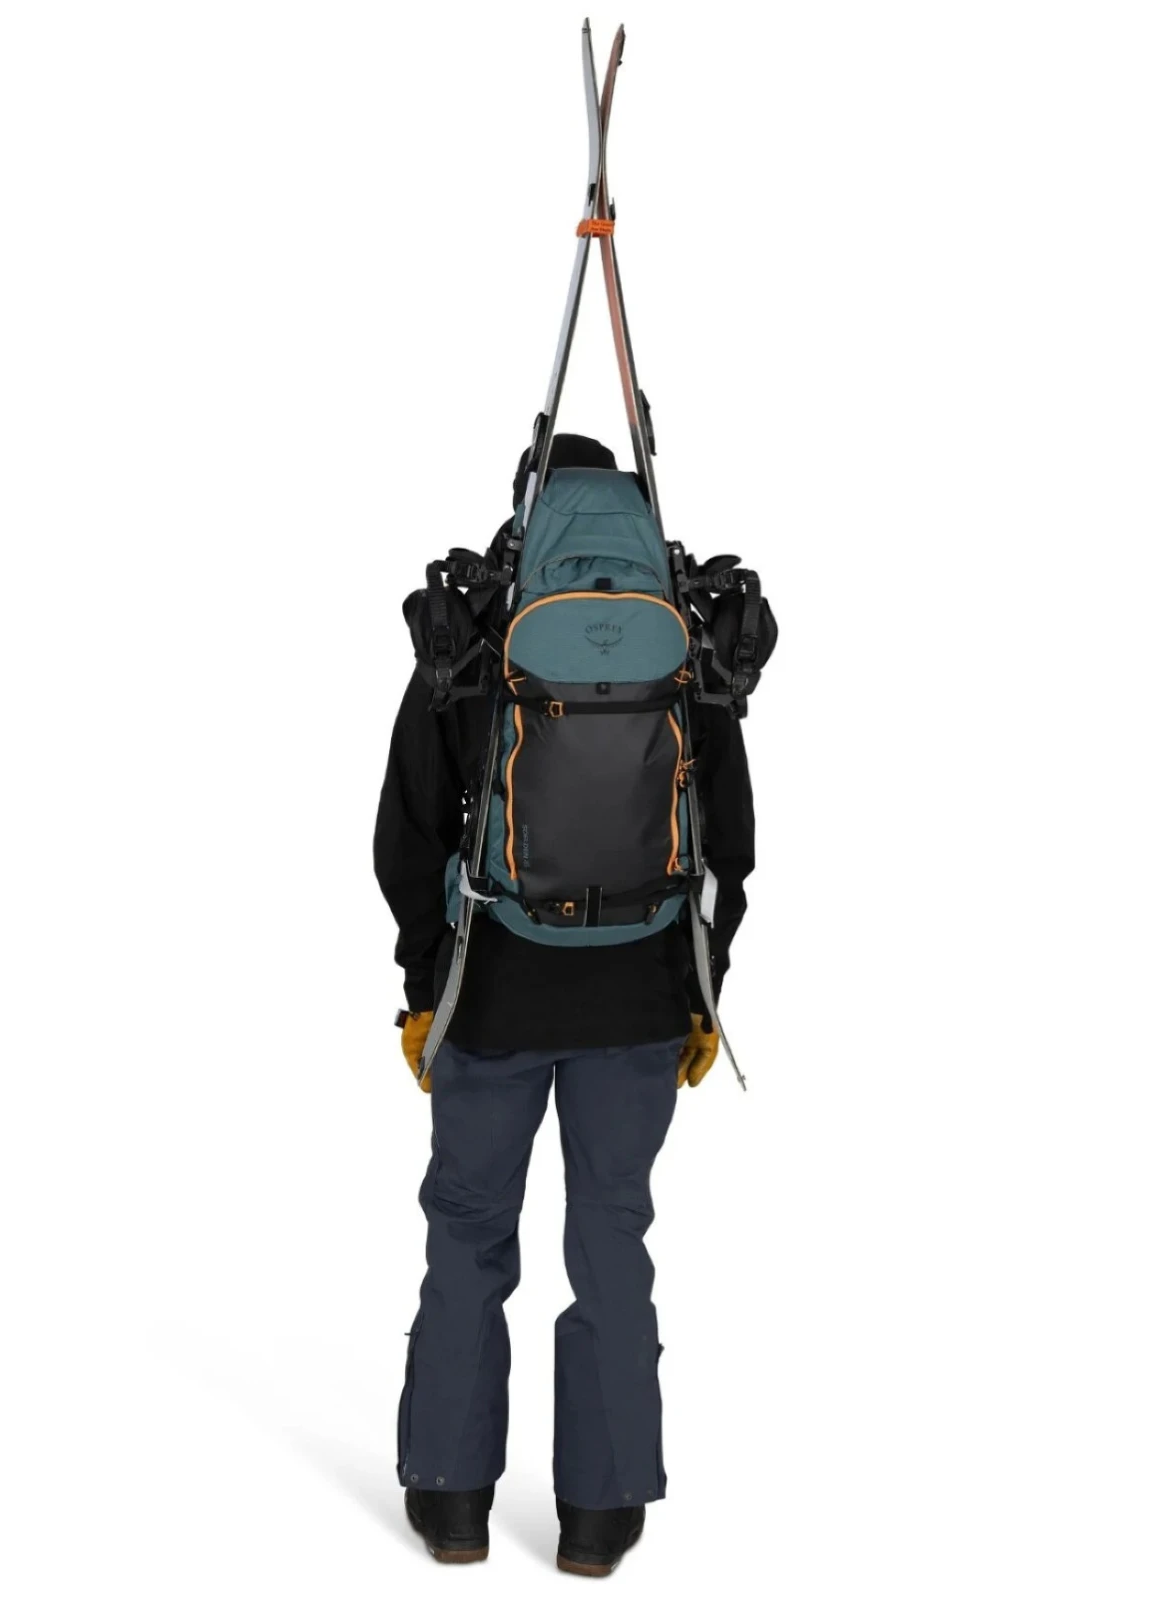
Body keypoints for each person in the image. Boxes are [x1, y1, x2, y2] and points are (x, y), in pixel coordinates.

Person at [374, 434, 758, 1576]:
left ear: (526, 511)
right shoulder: (681, 642)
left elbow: (407, 831)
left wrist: (423, 985)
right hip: (638, 1001)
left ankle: (451, 1498)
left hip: (492, 996)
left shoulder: (474, 634)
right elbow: (729, 843)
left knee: (467, 1234)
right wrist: (703, 988)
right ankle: (600, 1514)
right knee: (611, 1237)